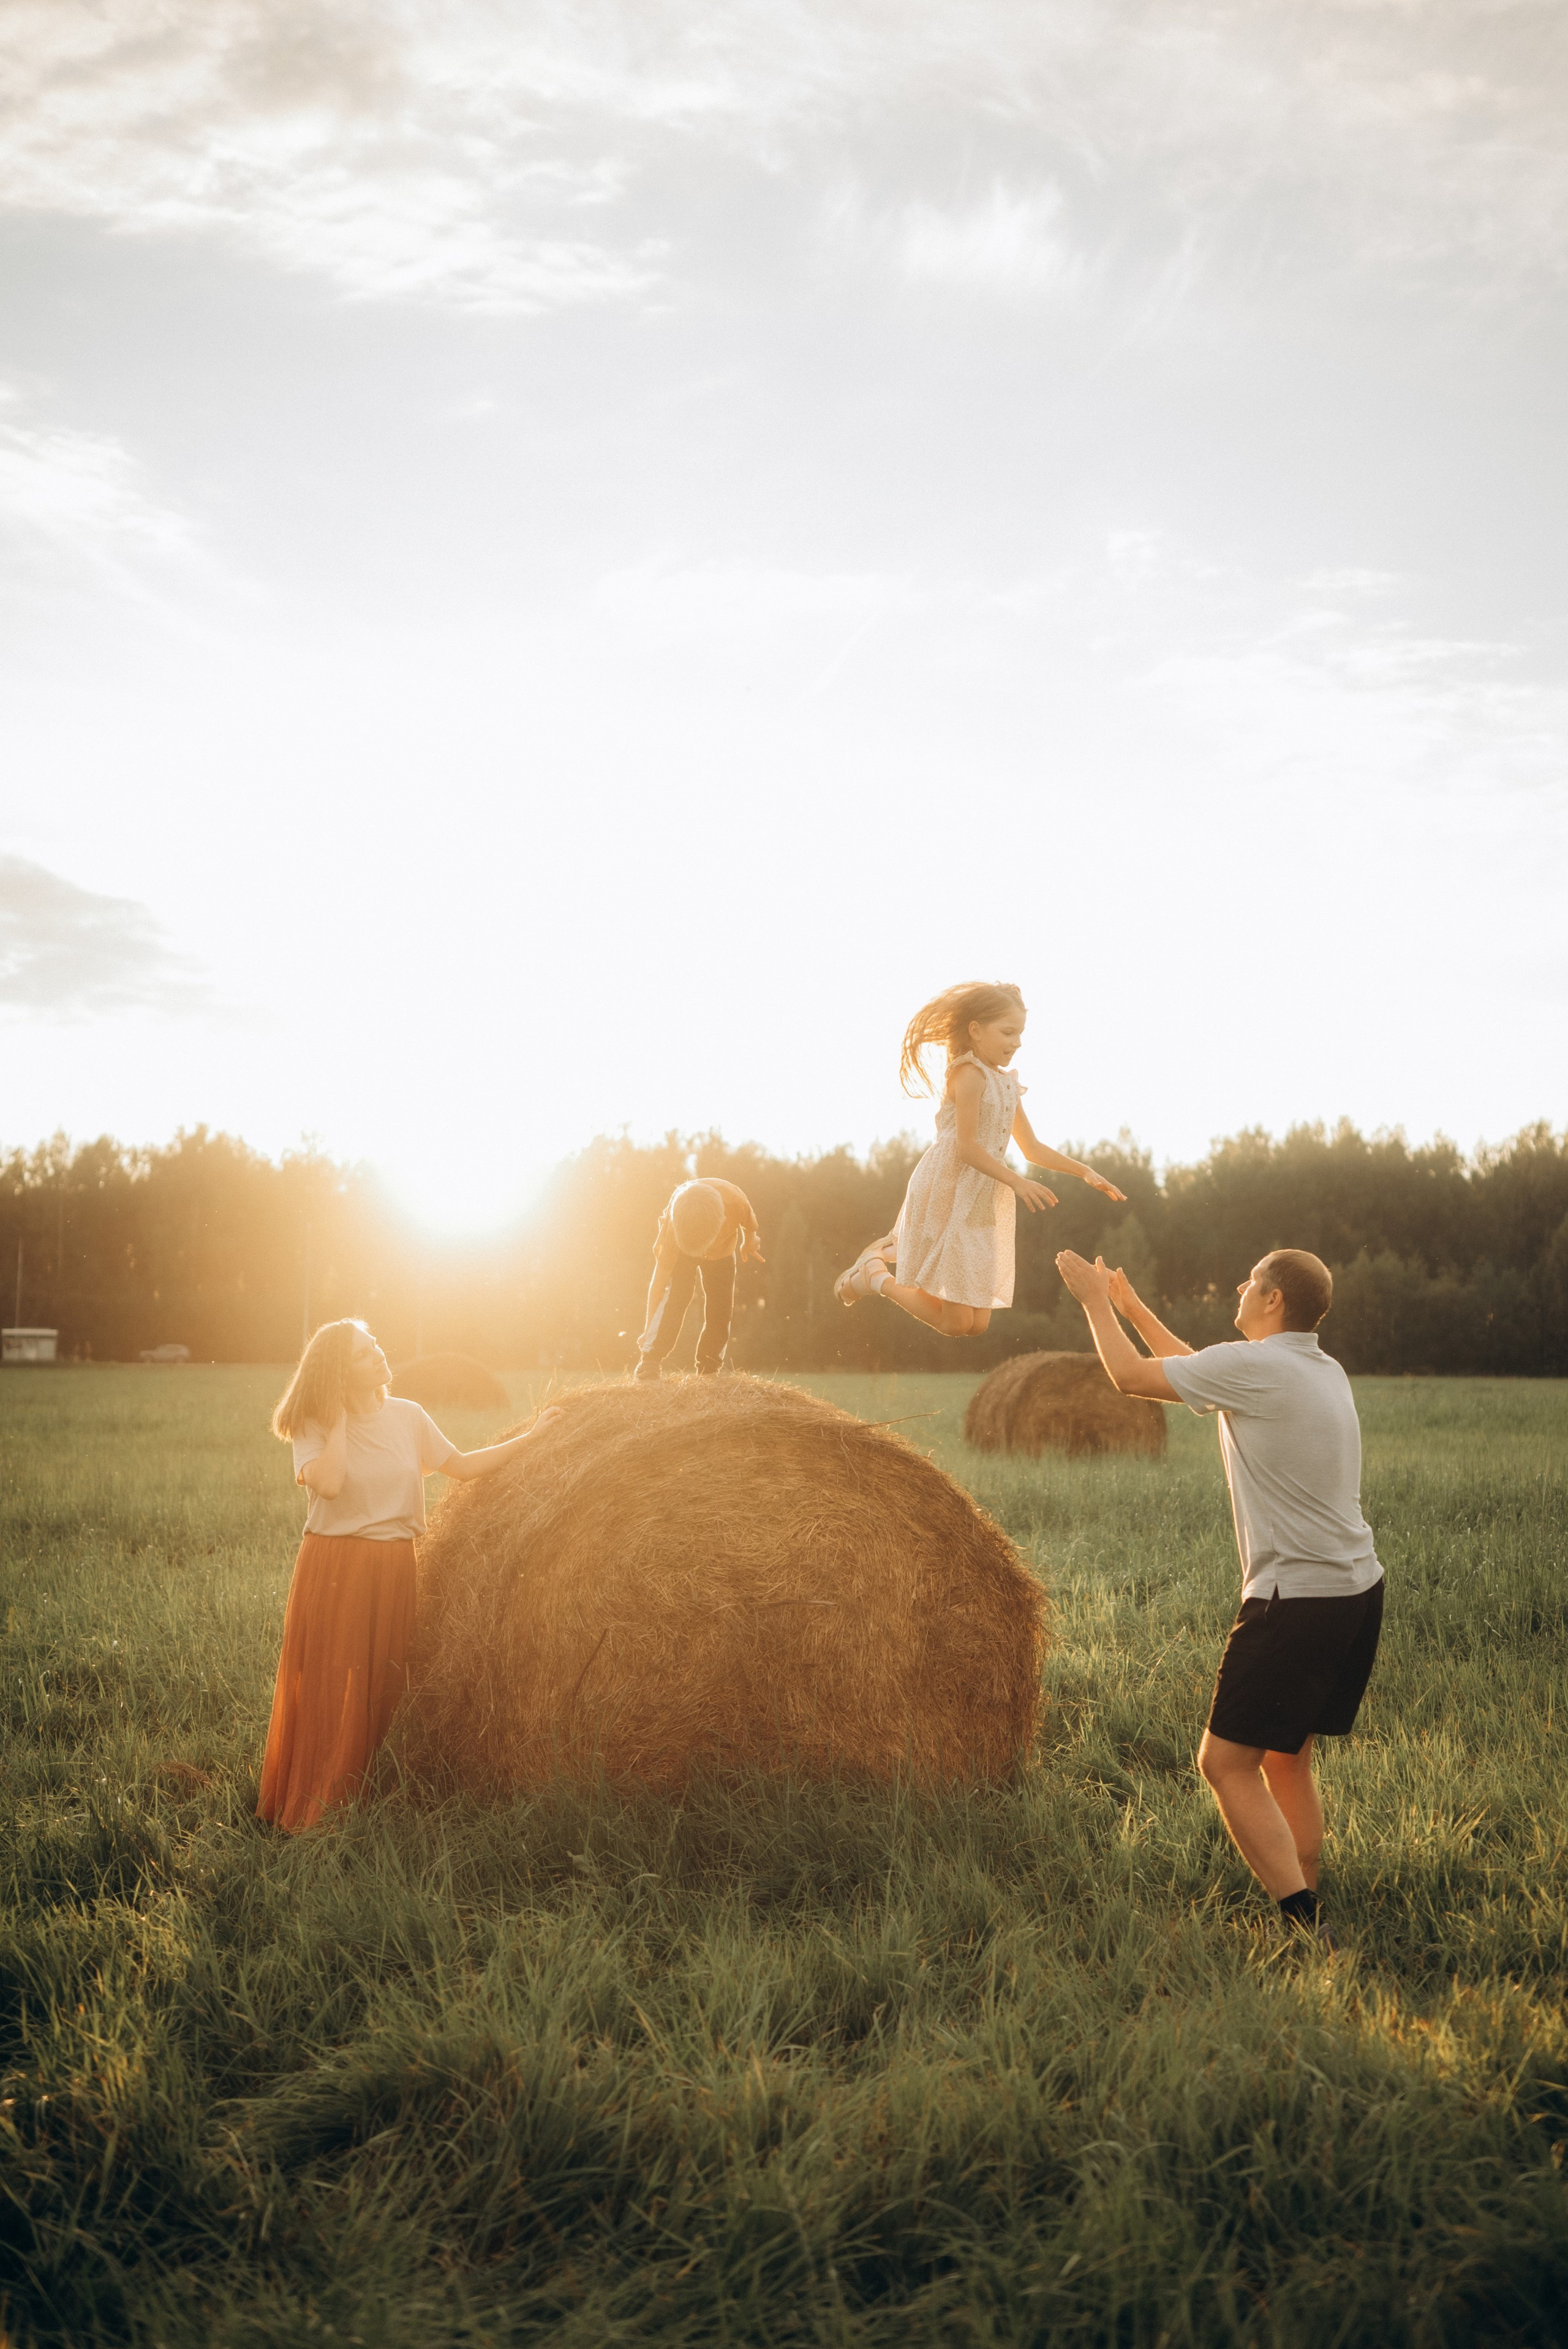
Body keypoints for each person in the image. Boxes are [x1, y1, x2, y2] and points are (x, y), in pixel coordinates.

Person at [1054, 1245, 1383, 1948]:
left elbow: (1130, 1377)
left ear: (1272, 1300)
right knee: (1285, 1755)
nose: (1239, 1283)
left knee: (1222, 1764)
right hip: (1354, 1589)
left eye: (1251, 1279)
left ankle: (1304, 1926)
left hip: (1292, 1599)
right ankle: (1310, 1892)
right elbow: (1201, 1369)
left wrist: (1090, 1302)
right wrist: (1133, 1308)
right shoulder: (1313, 1365)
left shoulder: (1257, 1367)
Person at [261, 1319, 560, 1831]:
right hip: (335, 1566)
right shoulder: (314, 1424)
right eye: (362, 1353)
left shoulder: (408, 1416)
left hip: (395, 1566)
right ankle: (320, 1807)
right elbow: (328, 1484)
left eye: (375, 1345)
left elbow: (462, 1466)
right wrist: (336, 1418)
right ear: (337, 1372)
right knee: (335, 1684)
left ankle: (372, 1797)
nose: (378, 1354)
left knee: (387, 1683)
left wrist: (534, 1437)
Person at [834, 981, 1126, 1337]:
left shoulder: (1006, 1084)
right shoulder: (968, 1074)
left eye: (1020, 1034)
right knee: (956, 1323)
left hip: (984, 1195)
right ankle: (876, 1277)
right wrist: (1017, 1181)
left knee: (977, 1325)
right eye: (1007, 1032)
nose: (1016, 1042)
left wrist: (1085, 1172)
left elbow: (1031, 1147)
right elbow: (966, 1148)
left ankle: (892, 1253)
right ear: (975, 1030)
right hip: (950, 1185)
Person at [635, 1177, 763, 1382]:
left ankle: (709, 1368)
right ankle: (650, 1361)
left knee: (720, 1307)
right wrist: (648, 1327)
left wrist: (749, 1242)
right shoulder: (673, 1233)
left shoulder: (736, 1202)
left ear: (722, 1221)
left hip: (722, 1253)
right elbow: (659, 1283)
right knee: (677, 1296)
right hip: (682, 1250)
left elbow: (750, 1226)